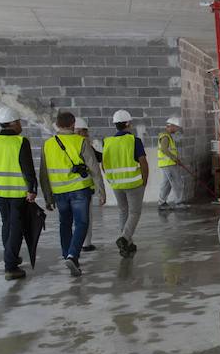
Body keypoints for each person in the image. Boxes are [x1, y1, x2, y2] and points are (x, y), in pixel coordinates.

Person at [40, 112, 106, 276]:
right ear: (73, 124)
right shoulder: (80, 141)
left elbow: (43, 173)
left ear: (57, 124)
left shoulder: (47, 144)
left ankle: (66, 254)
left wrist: (47, 197)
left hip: (59, 192)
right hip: (79, 190)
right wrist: (101, 191)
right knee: (82, 223)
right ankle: (72, 255)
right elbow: (94, 168)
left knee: (65, 223)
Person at [0, 107, 38, 280]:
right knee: (16, 227)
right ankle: (10, 267)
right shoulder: (20, 142)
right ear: (13, 123)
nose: (21, 125)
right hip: (16, 191)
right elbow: (27, 168)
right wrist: (32, 189)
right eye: (19, 121)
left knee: (7, 223)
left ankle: (10, 256)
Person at [103, 110, 148, 258]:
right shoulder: (134, 141)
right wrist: (144, 181)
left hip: (117, 185)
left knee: (123, 211)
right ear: (128, 124)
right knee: (134, 213)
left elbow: (104, 165)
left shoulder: (108, 142)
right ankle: (124, 238)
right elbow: (143, 162)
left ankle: (127, 245)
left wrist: (111, 179)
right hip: (134, 183)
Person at [75, 117, 101, 251]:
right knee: (85, 217)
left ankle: (72, 246)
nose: (87, 135)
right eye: (85, 132)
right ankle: (85, 244)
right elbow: (98, 159)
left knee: (68, 220)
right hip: (83, 187)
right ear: (78, 132)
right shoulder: (84, 145)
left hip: (63, 189)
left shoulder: (56, 143)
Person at [157, 116, 187, 210]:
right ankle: (179, 202)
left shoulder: (168, 136)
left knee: (166, 184)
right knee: (177, 182)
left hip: (167, 164)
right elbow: (164, 149)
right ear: (171, 126)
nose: (177, 129)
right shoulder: (165, 137)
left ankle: (161, 203)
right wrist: (174, 158)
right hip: (168, 164)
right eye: (176, 127)